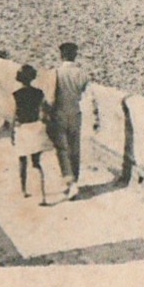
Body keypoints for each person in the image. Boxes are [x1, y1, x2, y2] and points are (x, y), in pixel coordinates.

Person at [11, 65, 58, 203]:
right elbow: (44, 112)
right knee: (36, 163)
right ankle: (42, 195)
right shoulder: (39, 93)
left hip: (22, 129)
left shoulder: (16, 95)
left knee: (22, 161)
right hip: (36, 128)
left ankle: (24, 190)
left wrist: (11, 134)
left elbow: (14, 116)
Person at [50, 44, 89, 198]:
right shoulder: (82, 74)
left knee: (62, 149)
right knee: (75, 148)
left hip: (59, 113)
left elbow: (51, 95)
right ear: (75, 55)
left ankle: (69, 182)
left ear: (61, 55)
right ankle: (76, 180)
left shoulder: (56, 73)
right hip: (75, 113)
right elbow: (87, 96)